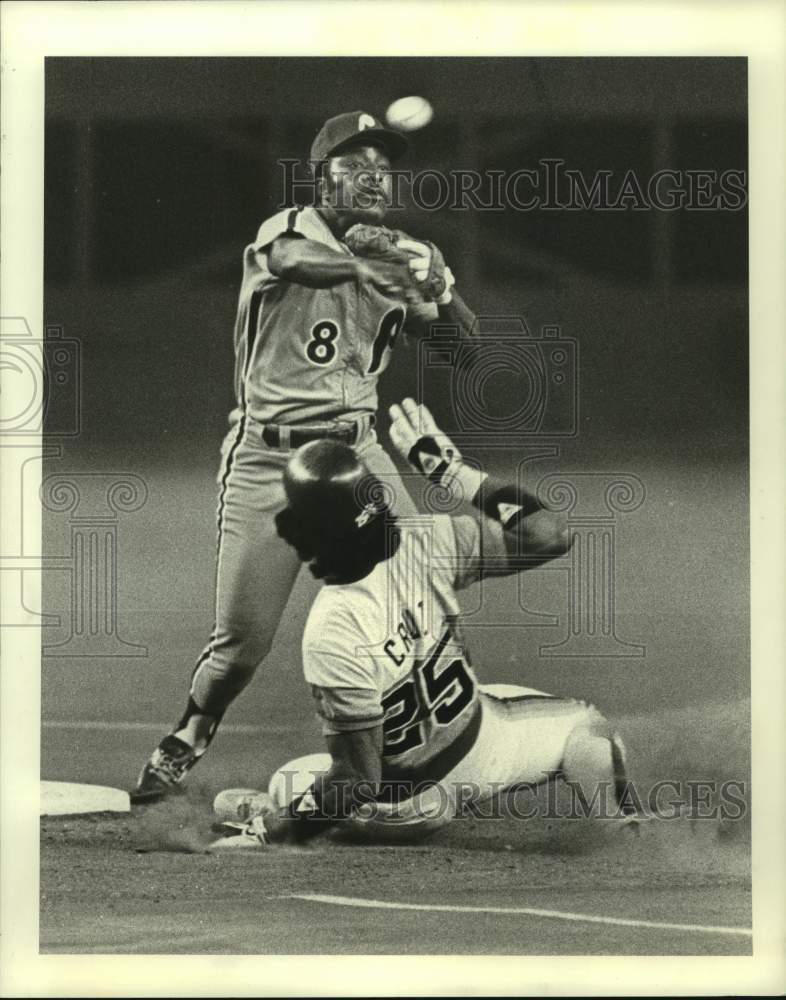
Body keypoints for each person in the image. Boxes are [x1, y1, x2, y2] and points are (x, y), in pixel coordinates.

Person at [132, 111, 476, 803]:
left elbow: (463, 352)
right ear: (324, 178)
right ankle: (188, 738)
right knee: (241, 641)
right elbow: (295, 263)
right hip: (270, 459)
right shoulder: (288, 229)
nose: (374, 178)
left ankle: (422, 752)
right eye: (356, 167)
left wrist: (439, 285)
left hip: (358, 456)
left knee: (422, 592)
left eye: (384, 168)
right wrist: (369, 262)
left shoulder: (401, 252)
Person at [209, 399, 637, 848]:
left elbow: (357, 781)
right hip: (486, 744)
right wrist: (453, 474)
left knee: (292, 780)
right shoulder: (423, 541)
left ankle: (266, 813)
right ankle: (621, 830)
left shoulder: (331, 627)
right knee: (585, 726)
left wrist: (268, 834)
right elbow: (550, 533)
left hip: (409, 806)